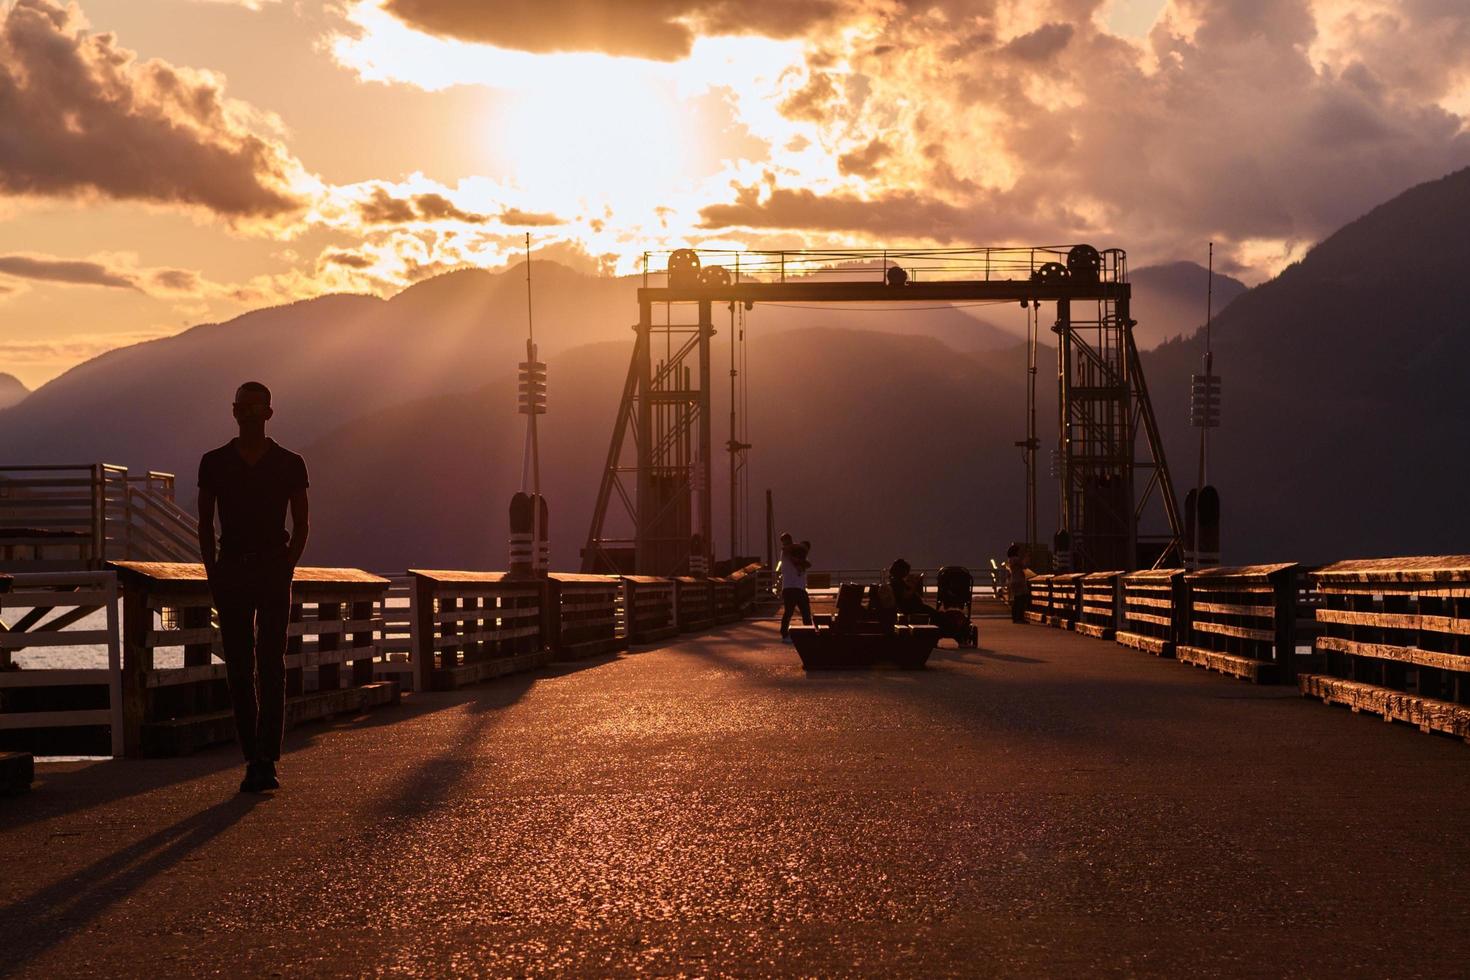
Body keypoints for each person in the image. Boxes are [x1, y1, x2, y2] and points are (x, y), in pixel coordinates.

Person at [198, 382, 310, 794]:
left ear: (268, 413)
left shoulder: (290, 463)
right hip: (232, 571)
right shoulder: (213, 463)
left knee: (271, 663)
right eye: (240, 406)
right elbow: (205, 525)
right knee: (240, 668)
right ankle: (252, 758)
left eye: (253, 406)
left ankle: (268, 758)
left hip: (272, 570)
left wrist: (288, 565)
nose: (246, 413)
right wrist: (213, 573)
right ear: (233, 412)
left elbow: (302, 523)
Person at [776, 532, 812, 642]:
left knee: (806, 612)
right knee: (789, 612)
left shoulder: (797, 554)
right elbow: (790, 549)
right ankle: (784, 634)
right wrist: (801, 548)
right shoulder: (785, 551)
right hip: (789, 587)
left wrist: (801, 560)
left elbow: (806, 563)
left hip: (799, 588)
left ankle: (809, 633)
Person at [1006, 543, 1030, 623]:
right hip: (1019, 581)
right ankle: (1019, 618)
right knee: (1021, 600)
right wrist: (1026, 557)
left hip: (1013, 580)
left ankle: (1015, 618)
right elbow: (1025, 566)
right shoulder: (1016, 559)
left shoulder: (1010, 559)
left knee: (1016, 600)